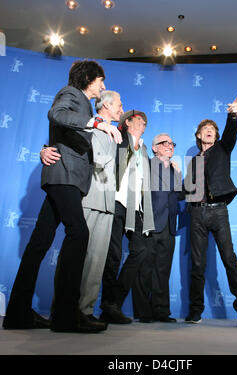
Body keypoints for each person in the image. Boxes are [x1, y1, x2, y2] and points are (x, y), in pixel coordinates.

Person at [3, 60, 117, 333]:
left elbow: (62, 133)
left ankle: (18, 313)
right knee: (78, 233)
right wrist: (96, 122)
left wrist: (49, 146)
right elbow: (57, 114)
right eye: (101, 80)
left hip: (63, 178)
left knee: (39, 243)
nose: (103, 86)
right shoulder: (71, 94)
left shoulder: (83, 102)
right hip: (63, 176)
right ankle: (66, 316)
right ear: (90, 78)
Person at [41, 90, 123, 323]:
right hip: (87, 199)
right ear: (105, 105)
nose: (121, 108)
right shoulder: (87, 125)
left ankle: (85, 311)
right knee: (79, 258)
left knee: (96, 262)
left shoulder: (115, 133)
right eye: (119, 103)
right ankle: (67, 310)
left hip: (108, 203)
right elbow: (64, 144)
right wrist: (44, 149)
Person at [184, 96, 237, 326]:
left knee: (229, 259)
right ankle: (195, 311)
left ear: (216, 136)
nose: (209, 131)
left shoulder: (223, 148)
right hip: (197, 213)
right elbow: (188, 189)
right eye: (205, 129)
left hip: (218, 212)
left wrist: (233, 115)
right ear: (198, 135)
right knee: (197, 263)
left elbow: (231, 132)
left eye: (212, 130)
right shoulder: (193, 160)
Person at [100, 110, 155, 324]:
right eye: (141, 120)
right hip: (115, 202)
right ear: (128, 122)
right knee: (113, 256)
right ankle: (109, 308)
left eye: (146, 121)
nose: (144, 123)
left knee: (141, 249)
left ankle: (113, 301)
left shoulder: (144, 151)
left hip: (136, 208)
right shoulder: (117, 139)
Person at [132, 133, 183, 323]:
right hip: (149, 224)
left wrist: (178, 175)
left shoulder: (175, 170)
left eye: (172, 143)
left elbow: (178, 196)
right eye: (165, 143)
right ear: (155, 148)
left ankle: (161, 311)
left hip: (169, 226)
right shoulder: (146, 164)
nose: (170, 146)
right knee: (144, 269)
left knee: (163, 271)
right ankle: (143, 311)